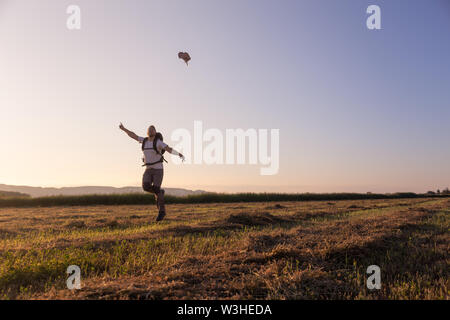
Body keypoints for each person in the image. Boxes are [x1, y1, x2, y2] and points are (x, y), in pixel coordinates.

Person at [119, 123, 184, 221]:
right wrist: (124, 129)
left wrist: (178, 154)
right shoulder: (144, 141)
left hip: (158, 169)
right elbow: (133, 135)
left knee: (156, 189)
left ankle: (162, 212)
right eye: (149, 129)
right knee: (145, 187)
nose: (150, 130)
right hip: (148, 169)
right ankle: (160, 192)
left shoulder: (158, 142)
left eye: (152, 129)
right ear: (147, 132)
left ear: (155, 132)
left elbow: (168, 149)